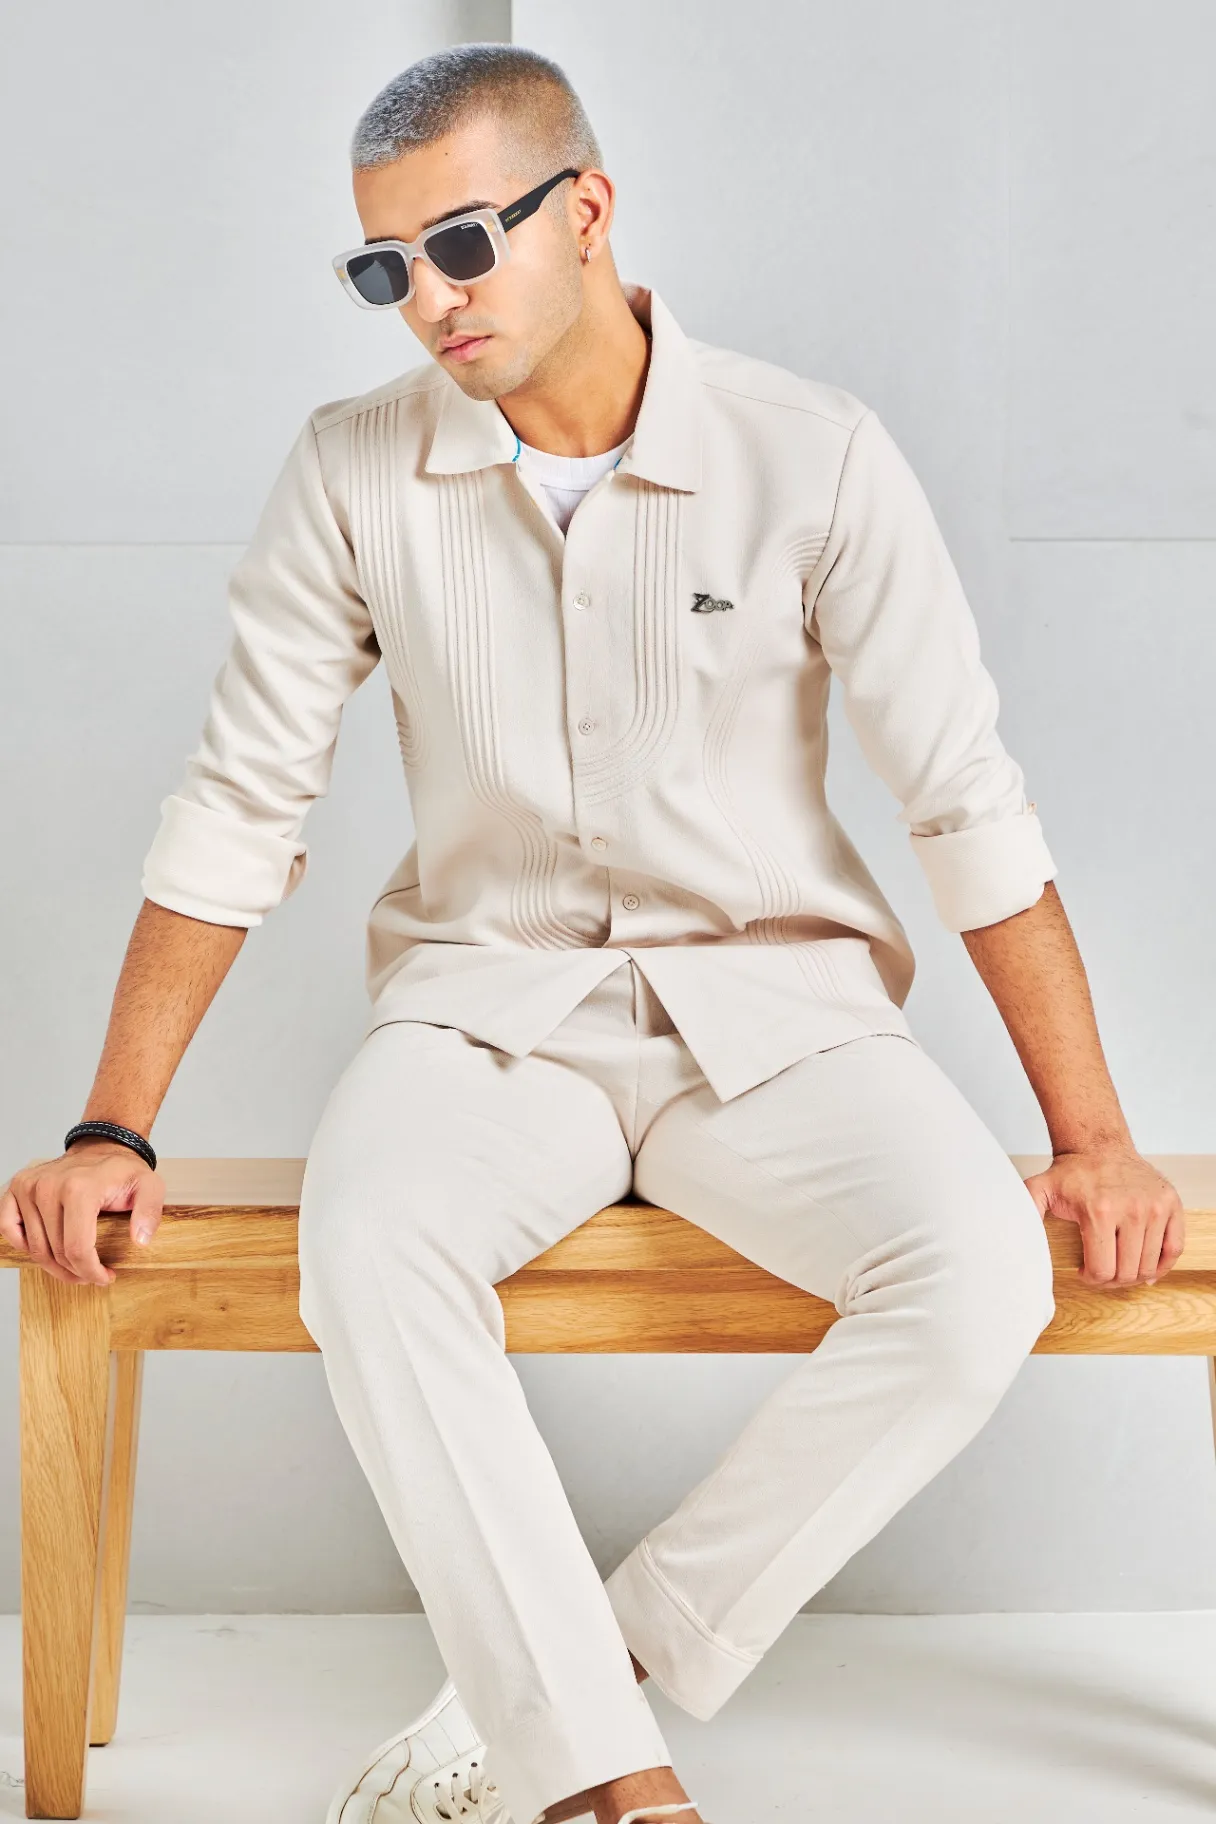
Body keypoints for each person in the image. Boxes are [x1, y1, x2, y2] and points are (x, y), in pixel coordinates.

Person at [0, 40, 1185, 1824]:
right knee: (370, 1243)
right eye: (386, 267)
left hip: (777, 1015)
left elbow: (965, 805)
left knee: (977, 1270)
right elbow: (241, 805)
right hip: (488, 1018)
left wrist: (1091, 1138)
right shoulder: (350, 472)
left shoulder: (811, 456)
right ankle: (609, 1788)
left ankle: (583, 1671)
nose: (431, 300)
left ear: (589, 210)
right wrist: (113, 1124)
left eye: (462, 243)